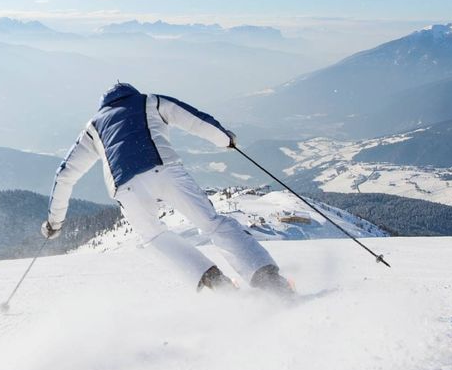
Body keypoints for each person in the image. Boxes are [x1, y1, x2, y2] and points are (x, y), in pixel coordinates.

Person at [42, 82, 292, 294]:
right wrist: (225, 139)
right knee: (212, 223)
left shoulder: (94, 127)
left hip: (126, 188)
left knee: (155, 236)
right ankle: (268, 279)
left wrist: (55, 222)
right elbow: (193, 119)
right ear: (130, 93)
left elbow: (65, 174)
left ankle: (215, 283)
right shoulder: (149, 101)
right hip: (164, 169)